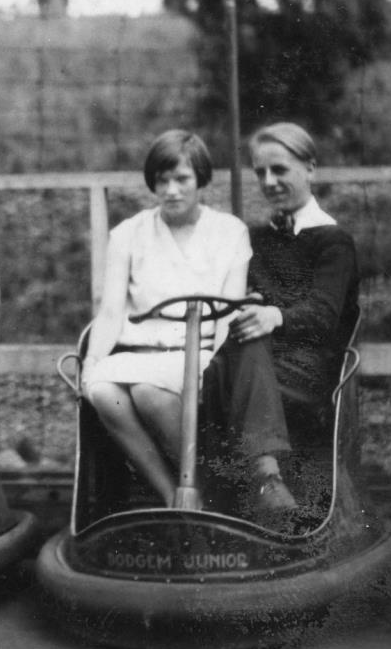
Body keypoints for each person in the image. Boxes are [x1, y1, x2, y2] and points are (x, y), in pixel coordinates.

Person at [81, 130, 265, 510]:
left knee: (149, 394)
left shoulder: (229, 233)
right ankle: (169, 491)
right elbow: (112, 310)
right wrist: (92, 361)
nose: (171, 190)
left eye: (181, 179)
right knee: (101, 390)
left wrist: (219, 370)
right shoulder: (129, 233)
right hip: (140, 352)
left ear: (200, 179)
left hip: (198, 355)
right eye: (162, 181)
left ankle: (205, 484)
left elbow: (230, 312)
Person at [202, 122, 359, 518]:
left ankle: (265, 477)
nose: (269, 181)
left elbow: (323, 316)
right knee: (207, 362)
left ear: (310, 169)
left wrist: (273, 314)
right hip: (253, 365)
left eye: (280, 170)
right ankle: (199, 501)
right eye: (260, 172)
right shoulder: (257, 238)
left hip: (305, 370)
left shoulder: (333, 242)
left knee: (247, 334)